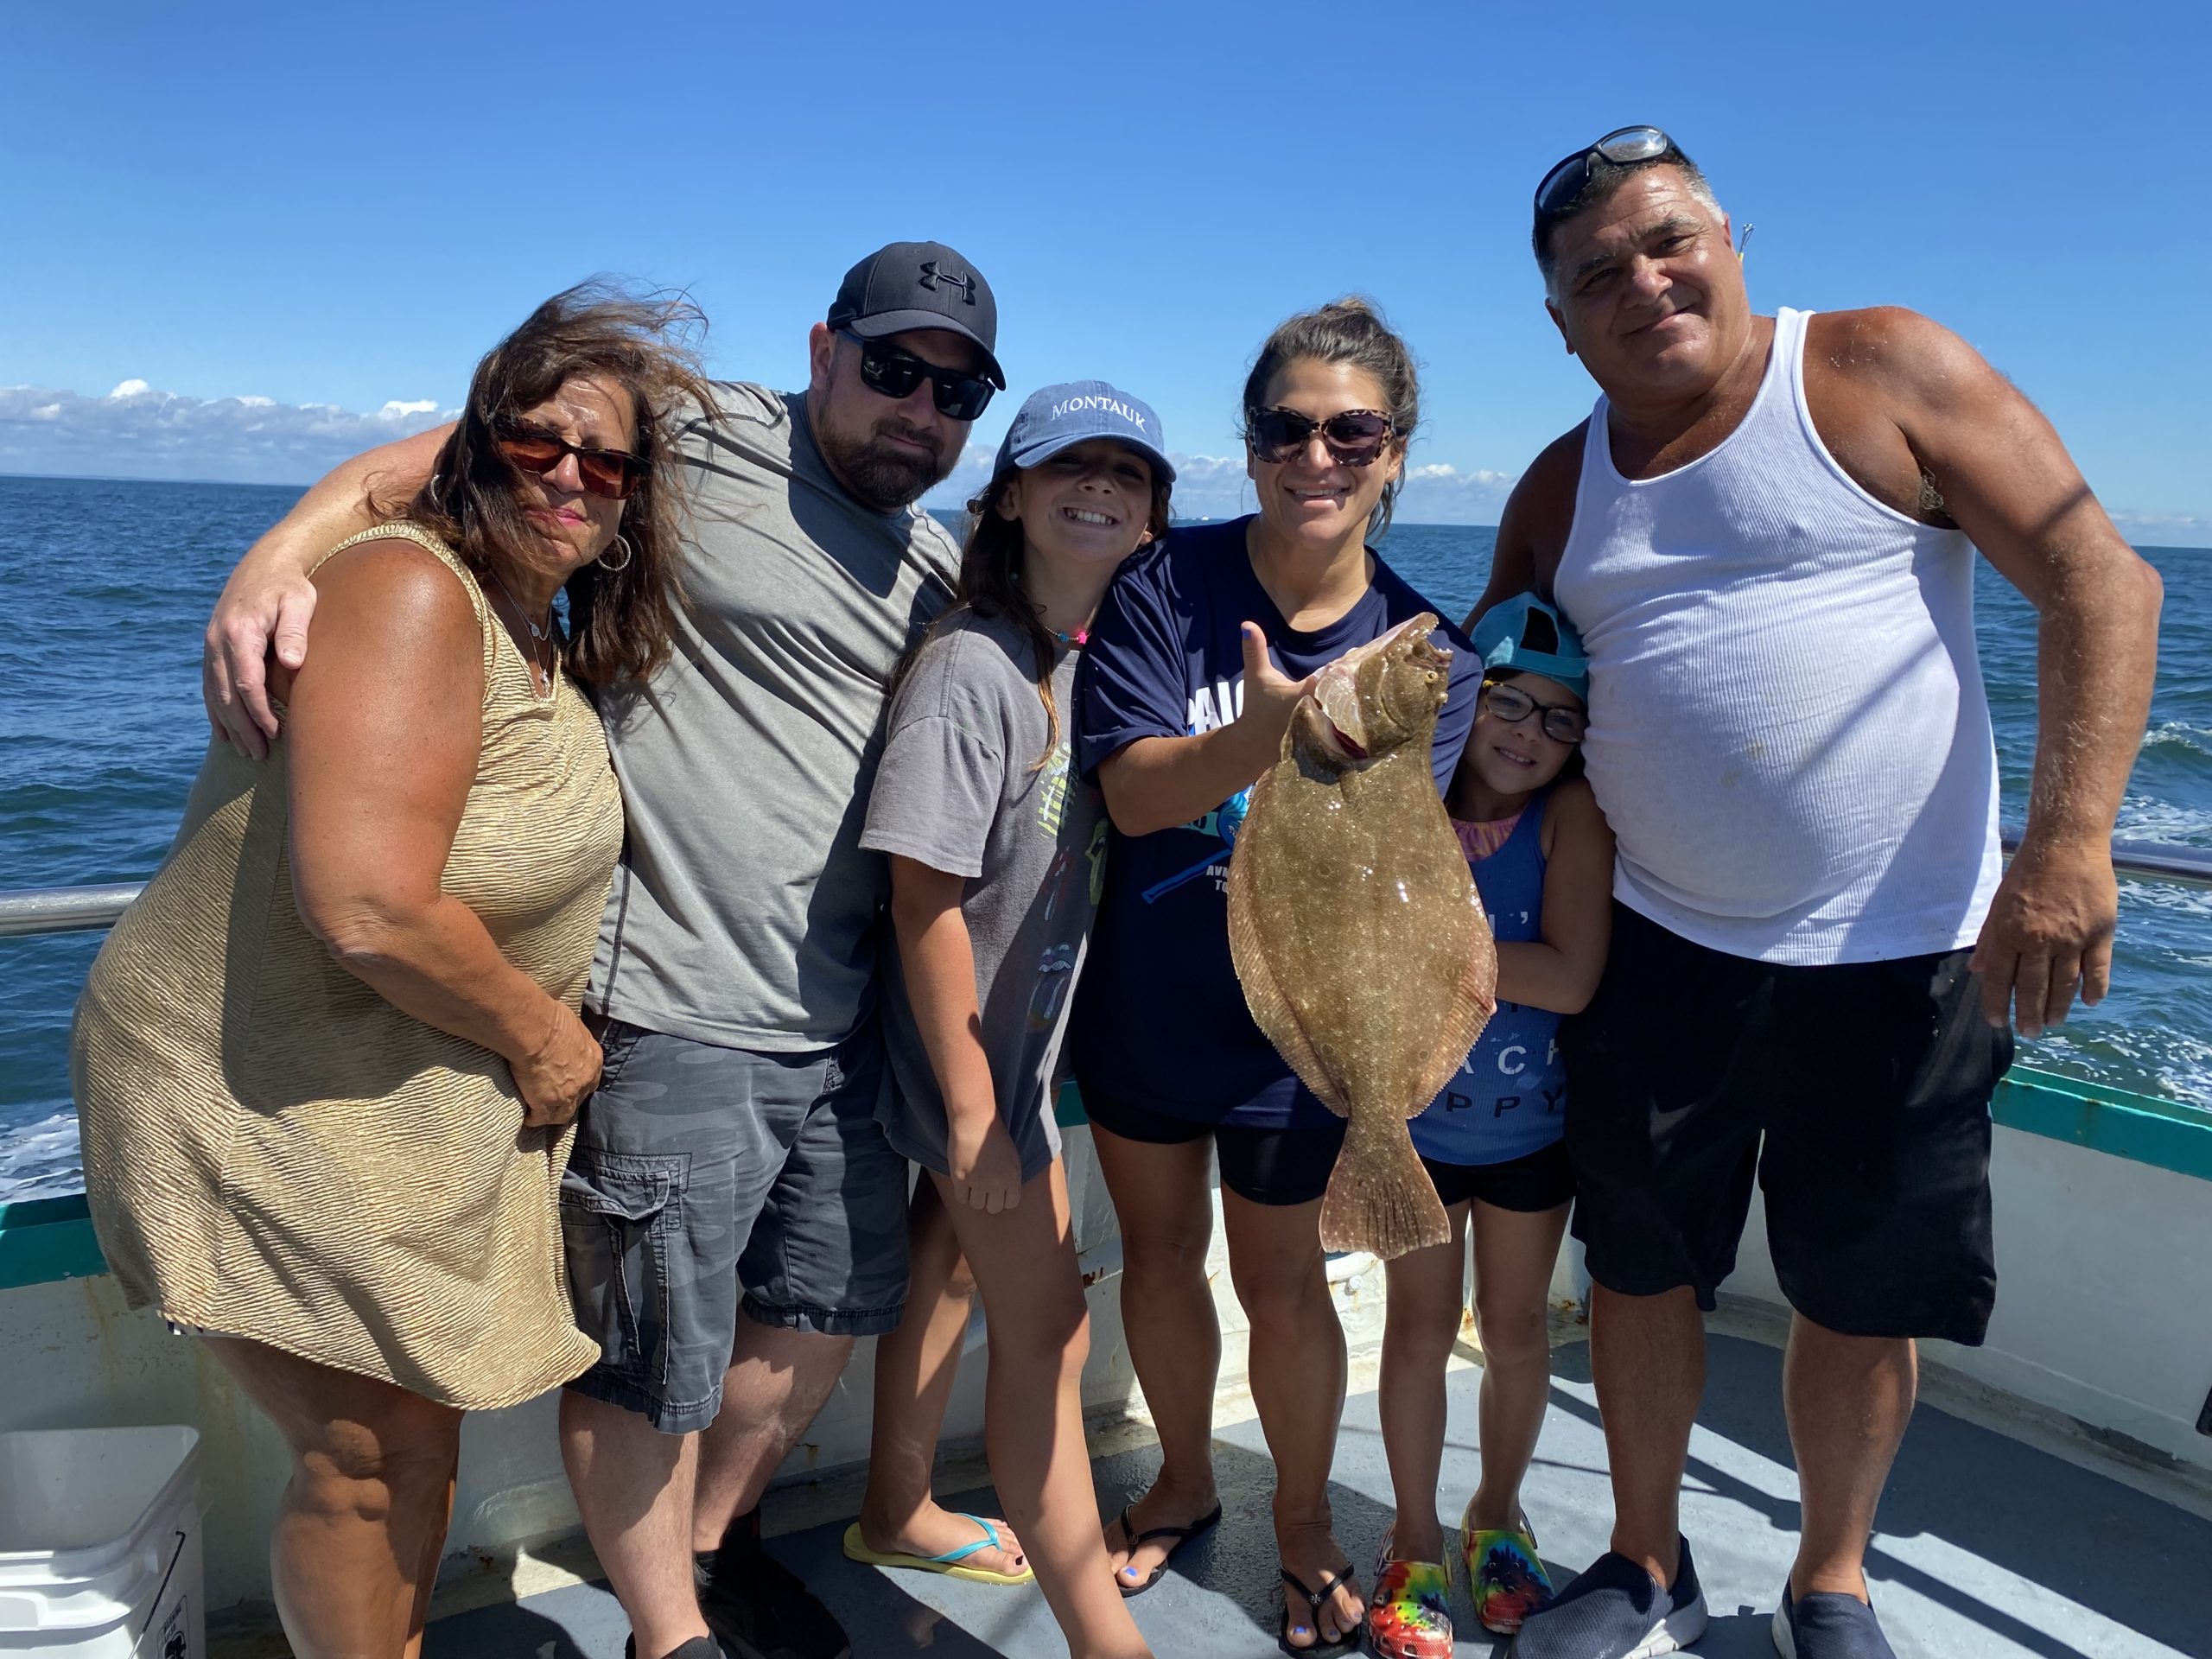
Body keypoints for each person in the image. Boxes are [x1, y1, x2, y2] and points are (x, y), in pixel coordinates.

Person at [200, 243, 1007, 1659]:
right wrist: (279, 556)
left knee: (814, 1325)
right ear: (824, 351)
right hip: (671, 1007)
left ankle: (706, 1557)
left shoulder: (936, 565)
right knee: (651, 1358)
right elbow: (460, 452)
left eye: (957, 392)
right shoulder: (694, 439)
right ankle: (667, 1633)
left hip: (835, 1019)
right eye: (893, 371)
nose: (919, 410)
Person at [1476, 130, 2164, 1659]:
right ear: (1561, 324)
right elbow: (1489, 709)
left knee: (1862, 1294)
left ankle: (1830, 1578)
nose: (1643, 283)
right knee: (1645, 1271)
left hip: (1907, 953)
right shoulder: (1552, 485)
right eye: (1597, 275)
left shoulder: (1878, 369)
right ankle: (1646, 1561)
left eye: (1667, 243)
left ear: (1728, 236)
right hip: (1658, 952)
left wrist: (2068, 845)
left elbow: (2099, 576)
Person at [76, 284, 706, 1659]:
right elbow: (366, 906)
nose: (572, 480)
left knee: (414, 1440)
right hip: (255, 1084)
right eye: (538, 444)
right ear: (473, 447)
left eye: (609, 466)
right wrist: (546, 1042)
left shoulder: (538, 630)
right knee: (368, 1447)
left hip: (388, 1083)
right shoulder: (415, 589)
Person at [1071, 298, 1482, 1654]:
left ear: (1395, 450)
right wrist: (1259, 739)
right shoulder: (1161, 587)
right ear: (1248, 449)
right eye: (1286, 429)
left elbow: (1410, 874)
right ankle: (1187, 1476)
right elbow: (1131, 801)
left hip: (1304, 1031)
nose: (1317, 455)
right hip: (1149, 1001)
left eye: (1349, 430)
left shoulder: (1428, 658)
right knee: (1159, 1254)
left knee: (1285, 1285)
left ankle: (1301, 1517)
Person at [846, 382, 1173, 1659]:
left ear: (1152, 519)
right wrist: (978, 1110)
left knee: (947, 1258)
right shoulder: (973, 669)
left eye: (1127, 473)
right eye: (1066, 466)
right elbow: (920, 892)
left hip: (1019, 1055)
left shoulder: (1082, 659)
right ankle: (1106, 1637)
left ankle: (894, 1503)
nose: (1098, 486)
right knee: (1050, 1328)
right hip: (967, 1065)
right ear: (1009, 500)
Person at [1367, 594, 1611, 1659]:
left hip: (1531, 1135)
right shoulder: (1400, 800)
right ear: (1465, 700)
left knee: (1516, 1334)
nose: (1530, 734)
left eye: (1562, 719)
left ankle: (1496, 1517)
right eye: (1511, 701)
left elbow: (1568, 979)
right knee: (1417, 1334)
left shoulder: (1573, 819)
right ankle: (1414, 1536)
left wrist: (1431, 955)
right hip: (1408, 1129)